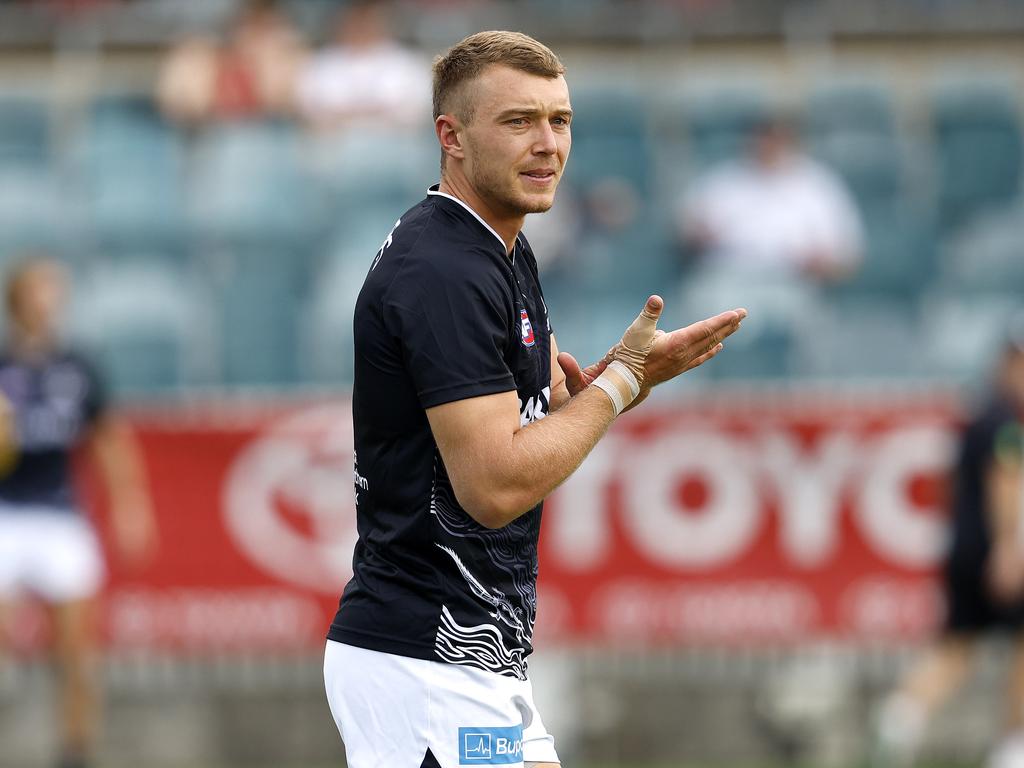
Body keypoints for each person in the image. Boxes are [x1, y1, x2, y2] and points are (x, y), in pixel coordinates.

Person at [322, 30, 746, 767]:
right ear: (450, 136)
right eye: (519, 121)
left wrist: (622, 382)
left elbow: (544, 420)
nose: (548, 143)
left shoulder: (502, 247)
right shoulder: (447, 270)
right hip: (427, 660)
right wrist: (623, 384)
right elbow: (493, 486)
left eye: (561, 121)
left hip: (468, 659)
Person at [0, 257, 158, 768]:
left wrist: (131, 504)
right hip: (6, 511)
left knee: (77, 652)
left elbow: (108, 438)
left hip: (60, 514)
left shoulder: (77, 365)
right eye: (40, 291)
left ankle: (75, 752)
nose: (50, 301)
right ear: (18, 299)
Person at [872, 319, 1024, 768]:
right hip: (997, 552)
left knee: (956, 649)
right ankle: (1013, 751)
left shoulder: (978, 418)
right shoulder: (1006, 423)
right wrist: (1010, 548)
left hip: (963, 548)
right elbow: (1006, 484)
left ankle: (896, 726)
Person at [678, 114, 864, 282]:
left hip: (794, 281)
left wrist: (820, 263)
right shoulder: (720, 182)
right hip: (727, 276)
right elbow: (685, 236)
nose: (768, 147)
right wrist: (699, 237)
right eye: (763, 139)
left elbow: (845, 256)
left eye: (776, 140)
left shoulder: (818, 184)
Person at [156, 0, 305, 125]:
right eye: (248, 24)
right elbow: (176, 105)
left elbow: (284, 104)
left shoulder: (283, 56)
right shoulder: (199, 57)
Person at [295, 0, 430, 132]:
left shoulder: (407, 62)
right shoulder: (321, 63)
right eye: (356, 17)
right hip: (336, 147)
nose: (362, 24)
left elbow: (419, 109)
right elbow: (308, 109)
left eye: (368, 17)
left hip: (395, 144)